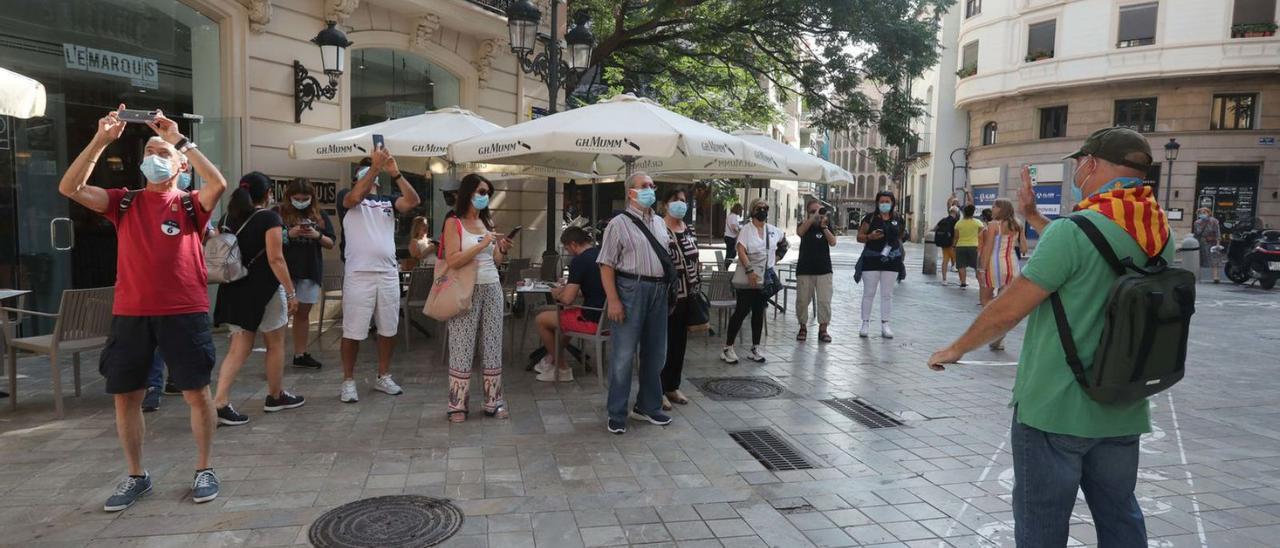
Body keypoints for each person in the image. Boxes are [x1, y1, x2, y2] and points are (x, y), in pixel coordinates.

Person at [928, 127, 1169, 547]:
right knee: (1120, 517)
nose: (1077, 168)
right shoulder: (1157, 232)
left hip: (1056, 408)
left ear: (1092, 163)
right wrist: (1036, 217)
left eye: (1079, 161)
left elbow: (1007, 309)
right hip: (1122, 402)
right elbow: (1097, 247)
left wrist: (955, 348)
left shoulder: (1073, 232)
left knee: (1042, 525)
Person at [58, 105, 226, 511]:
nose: (154, 156)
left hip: (183, 311)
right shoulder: (124, 202)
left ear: (180, 164)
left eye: (162, 152)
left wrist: (178, 138)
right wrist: (101, 139)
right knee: (126, 396)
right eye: (150, 151)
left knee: (196, 393)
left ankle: (204, 468)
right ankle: (137, 475)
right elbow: (70, 188)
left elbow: (218, 183)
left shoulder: (190, 204)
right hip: (131, 313)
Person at [210, 172, 304, 426]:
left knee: (239, 346)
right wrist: (291, 292)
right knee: (275, 343)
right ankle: (275, 396)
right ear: (267, 193)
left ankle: (219, 401)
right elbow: (276, 258)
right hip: (265, 291)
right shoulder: (269, 217)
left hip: (234, 289)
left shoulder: (228, 217)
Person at [336, 147, 421, 403]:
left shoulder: (387, 200)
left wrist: (394, 172)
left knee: (388, 328)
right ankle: (348, 381)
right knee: (353, 330)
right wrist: (374, 168)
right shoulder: (347, 196)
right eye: (366, 169)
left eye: (374, 169)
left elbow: (413, 201)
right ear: (358, 176)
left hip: (387, 272)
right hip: (359, 274)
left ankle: (383, 375)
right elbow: (353, 198)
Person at [598, 172, 673, 434]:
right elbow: (606, 264)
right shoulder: (618, 224)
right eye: (645, 186)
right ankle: (617, 412)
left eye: (653, 186)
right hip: (631, 289)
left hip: (658, 290)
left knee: (656, 352)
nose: (651, 190)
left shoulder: (661, 223)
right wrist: (614, 300)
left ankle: (649, 406)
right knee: (623, 355)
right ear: (631, 192)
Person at [442, 174, 511, 422]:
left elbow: (495, 261)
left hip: (492, 286)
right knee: (462, 345)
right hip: (465, 289)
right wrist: (481, 245)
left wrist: (500, 249)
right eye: (481, 191)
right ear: (468, 192)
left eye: (488, 193)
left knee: (493, 344)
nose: (485, 197)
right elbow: (453, 260)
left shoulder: (486, 221)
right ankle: (457, 405)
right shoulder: (453, 222)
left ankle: (494, 401)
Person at [531, 227, 603, 383]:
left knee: (542, 319)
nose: (568, 251)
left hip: (591, 320)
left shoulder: (579, 261)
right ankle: (551, 359)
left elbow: (567, 300)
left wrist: (558, 294)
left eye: (567, 247)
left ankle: (562, 369)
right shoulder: (600, 255)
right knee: (567, 318)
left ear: (574, 244)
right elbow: (592, 289)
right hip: (606, 318)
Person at [279, 178, 334, 370]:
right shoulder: (278, 213)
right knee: (281, 315)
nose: (301, 201)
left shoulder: (320, 215)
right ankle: (275, 354)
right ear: (289, 197)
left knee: (303, 315)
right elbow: (268, 240)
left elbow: (331, 242)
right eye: (297, 198)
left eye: (305, 198)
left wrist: (316, 235)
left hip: (310, 270)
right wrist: (289, 234)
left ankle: (300, 354)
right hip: (286, 271)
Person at [722, 199, 781, 364]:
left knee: (758, 311)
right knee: (741, 311)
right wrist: (749, 270)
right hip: (749, 277)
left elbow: (784, 244)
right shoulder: (747, 229)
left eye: (765, 208)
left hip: (764, 278)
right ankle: (728, 346)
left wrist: (775, 259)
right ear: (753, 210)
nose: (763, 210)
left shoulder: (772, 230)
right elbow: (740, 250)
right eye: (759, 208)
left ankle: (755, 347)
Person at [661, 190, 701, 409]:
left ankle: (672, 385)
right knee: (663, 344)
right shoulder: (659, 228)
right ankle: (657, 388)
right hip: (668, 297)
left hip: (689, 296)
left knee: (679, 344)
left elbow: (695, 259)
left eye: (683, 201)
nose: (680, 204)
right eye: (675, 200)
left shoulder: (689, 229)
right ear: (665, 205)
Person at [977, 198, 1026, 351]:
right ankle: (999, 335)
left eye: (994, 206)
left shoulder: (993, 225)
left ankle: (997, 331)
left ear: (1001, 209)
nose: (991, 208)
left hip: (994, 265)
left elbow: (988, 248)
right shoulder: (1018, 224)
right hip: (1012, 265)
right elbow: (1024, 248)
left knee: (985, 299)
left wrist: (981, 269)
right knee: (1003, 301)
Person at [855, 191, 905, 339]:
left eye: (887, 201)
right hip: (871, 259)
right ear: (877, 203)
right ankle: (865, 323)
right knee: (869, 293)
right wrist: (870, 237)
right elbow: (859, 237)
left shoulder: (897, 218)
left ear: (892, 203)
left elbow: (901, 236)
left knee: (887, 294)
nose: (884, 204)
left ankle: (885, 324)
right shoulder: (870, 218)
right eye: (882, 201)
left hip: (892, 261)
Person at [795, 199, 836, 343]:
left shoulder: (826, 225)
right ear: (808, 213)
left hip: (824, 270)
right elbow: (800, 232)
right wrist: (812, 218)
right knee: (802, 301)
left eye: (819, 210)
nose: (817, 213)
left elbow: (833, 242)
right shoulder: (803, 224)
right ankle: (802, 327)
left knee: (824, 301)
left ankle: (823, 329)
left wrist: (824, 227)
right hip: (805, 269)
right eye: (813, 211)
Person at [953, 204, 984, 288]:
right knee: (976, 266)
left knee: (961, 265)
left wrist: (954, 246)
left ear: (964, 212)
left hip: (961, 246)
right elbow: (982, 236)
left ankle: (963, 283)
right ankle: (981, 284)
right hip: (974, 246)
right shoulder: (978, 223)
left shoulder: (958, 223)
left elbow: (956, 237)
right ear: (973, 213)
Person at [1193, 207, 1222, 283]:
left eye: (1204, 212)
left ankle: (1215, 277)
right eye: (1201, 213)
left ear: (1209, 213)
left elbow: (1217, 232)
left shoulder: (1214, 221)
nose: (1202, 214)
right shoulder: (1197, 223)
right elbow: (1196, 234)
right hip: (1202, 242)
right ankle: (1198, 277)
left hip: (1212, 242)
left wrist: (1218, 243)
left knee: (1214, 260)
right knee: (1200, 259)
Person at [934, 207, 959, 285]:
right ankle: (962, 281)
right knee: (958, 263)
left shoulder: (943, 220)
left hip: (944, 244)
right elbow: (956, 234)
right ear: (956, 213)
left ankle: (944, 280)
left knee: (945, 261)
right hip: (952, 244)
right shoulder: (955, 221)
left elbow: (935, 228)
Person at [724, 203, 743, 269]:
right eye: (740, 210)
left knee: (731, 253)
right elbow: (733, 227)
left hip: (728, 236)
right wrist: (739, 232)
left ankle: (726, 267)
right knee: (731, 254)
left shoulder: (730, 215)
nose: (740, 212)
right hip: (731, 237)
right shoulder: (733, 216)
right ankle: (725, 267)